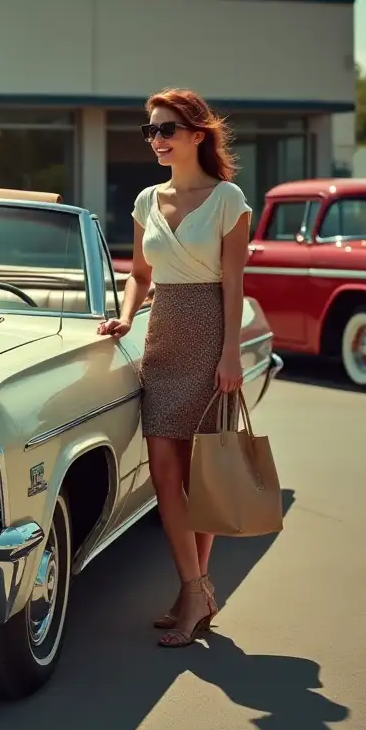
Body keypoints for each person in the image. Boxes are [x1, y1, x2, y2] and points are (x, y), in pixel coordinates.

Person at [96, 87, 252, 648]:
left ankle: (192, 594)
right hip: (162, 341)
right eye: (150, 131)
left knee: (203, 477)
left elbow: (234, 283)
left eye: (165, 129)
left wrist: (230, 351)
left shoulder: (228, 198)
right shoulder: (146, 201)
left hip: (210, 337)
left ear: (196, 134)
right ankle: (198, 588)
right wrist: (124, 317)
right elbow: (139, 273)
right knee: (165, 472)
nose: (156, 140)